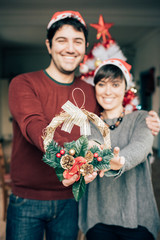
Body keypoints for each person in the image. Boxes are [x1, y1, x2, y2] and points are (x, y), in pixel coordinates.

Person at [6, 10, 160, 240]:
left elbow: (109, 124)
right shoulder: (24, 83)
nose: (70, 48)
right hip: (27, 200)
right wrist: (64, 159)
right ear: (48, 45)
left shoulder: (92, 92)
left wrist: (146, 120)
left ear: (84, 47)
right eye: (61, 40)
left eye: (77, 41)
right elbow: (33, 125)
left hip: (72, 200)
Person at [78, 58, 160, 240]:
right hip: (97, 217)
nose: (108, 91)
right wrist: (96, 153)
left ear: (125, 88)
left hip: (138, 217)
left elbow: (141, 146)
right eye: (101, 84)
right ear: (95, 88)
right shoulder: (89, 123)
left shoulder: (142, 118)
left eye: (115, 84)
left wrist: (119, 160)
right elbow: (91, 144)